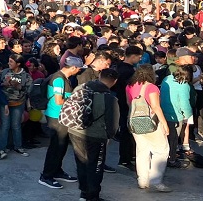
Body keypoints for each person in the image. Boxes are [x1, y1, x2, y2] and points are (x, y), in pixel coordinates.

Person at [67, 69, 120, 201]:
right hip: (96, 135)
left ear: (100, 76)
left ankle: (84, 192)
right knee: (95, 166)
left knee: (81, 162)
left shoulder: (81, 88)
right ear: (115, 82)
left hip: (75, 131)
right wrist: (109, 136)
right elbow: (113, 122)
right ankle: (93, 195)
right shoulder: (110, 98)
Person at [38, 54, 84, 189]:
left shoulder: (64, 78)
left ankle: (57, 171)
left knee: (61, 147)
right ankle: (46, 176)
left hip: (61, 117)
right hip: (56, 117)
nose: (79, 71)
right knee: (55, 147)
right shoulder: (58, 79)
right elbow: (59, 101)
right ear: (73, 67)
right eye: (79, 69)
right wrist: (75, 101)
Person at [126, 64, 171, 193]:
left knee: (142, 150)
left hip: (134, 122)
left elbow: (129, 104)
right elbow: (156, 107)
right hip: (151, 123)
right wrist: (165, 124)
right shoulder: (152, 87)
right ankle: (155, 181)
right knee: (161, 151)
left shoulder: (129, 86)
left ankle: (142, 180)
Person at [159, 63, 193, 165]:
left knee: (163, 138)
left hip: (162, 112)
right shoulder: (184, 85)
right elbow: (184, 103)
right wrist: (188, 115)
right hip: (175, 115)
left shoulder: (167, 78)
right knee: (173, 139)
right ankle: (171, 159)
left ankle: (162, 157)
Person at [0, 53, 31, 156]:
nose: (9, 63)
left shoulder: (25, 76)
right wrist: (3, 84)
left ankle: (18, 146)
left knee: (16, 125)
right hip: (5, 103)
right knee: (5, 125)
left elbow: (29, 90)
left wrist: (19, 86)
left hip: (18, 103)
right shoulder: (4, 72)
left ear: (18, 64)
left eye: (11, 62)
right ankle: (2, 148)